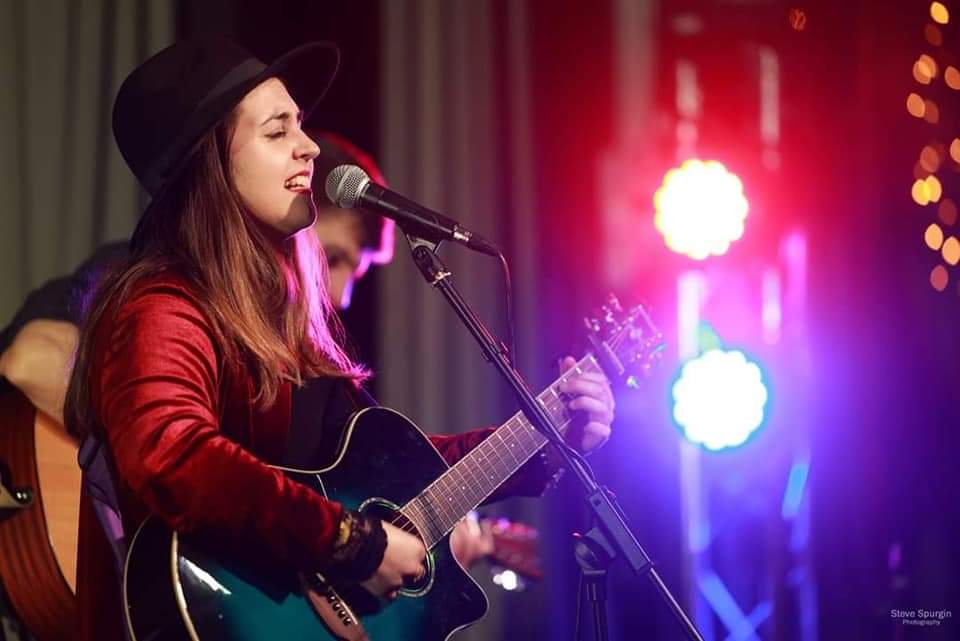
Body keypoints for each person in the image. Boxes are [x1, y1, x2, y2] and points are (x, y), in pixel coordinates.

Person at [12, 37, 616, 641]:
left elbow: (400, 478)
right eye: (278, 131)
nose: (308, 147)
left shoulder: (284, 324)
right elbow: (174, 455)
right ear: (209, 165)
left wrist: (545, 438)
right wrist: (349, 540)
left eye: (299, 125)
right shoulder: (161, 306)